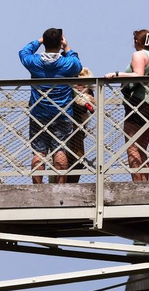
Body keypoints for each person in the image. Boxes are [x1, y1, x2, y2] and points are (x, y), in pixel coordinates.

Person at [19, 29, 82, 183]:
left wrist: (39, 41)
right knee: (60, 150)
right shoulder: (66, 63)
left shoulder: (34, 62)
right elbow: (78, 65)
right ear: (60, 42)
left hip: (39, 113)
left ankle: (37, 188)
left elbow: (23, 52)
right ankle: (60, 187)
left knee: (39, 152)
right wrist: (67, 47)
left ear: (45, 43)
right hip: (62, 113)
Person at [106, 30, 149, 182]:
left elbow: (138, 74)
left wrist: (117, 74)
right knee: (142, 148)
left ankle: (137, 184)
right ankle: (145, 183)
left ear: (137, 41)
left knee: (132, 147)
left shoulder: (138, 55)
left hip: (138, 104)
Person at [66, 67, 95, 182]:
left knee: (77, 158)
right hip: (67, 126)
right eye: (77, 85)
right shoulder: (68, 92)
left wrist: (85, 100)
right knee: (65, 158)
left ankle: (71, 182)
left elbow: (90, 109)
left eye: (81, 85)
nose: (78, 87)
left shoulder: (88, 94)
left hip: (78, 128)